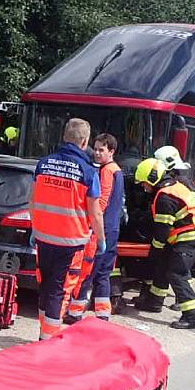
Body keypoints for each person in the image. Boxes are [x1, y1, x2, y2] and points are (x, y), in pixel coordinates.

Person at [30, 118, 105, 340]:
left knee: (45, 286)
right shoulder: (88, 171)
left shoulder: (43, 164)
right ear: (85, 141)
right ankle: (48, 339)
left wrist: (35, 229)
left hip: (44, 237)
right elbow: (96, 212)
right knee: (58, 290)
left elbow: (32, 200)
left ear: (64, 137)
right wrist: (101, 238)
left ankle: (43, 332)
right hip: (70, 241)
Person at [133, 158, 195, 330]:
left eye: (144, 183)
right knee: (163, 266)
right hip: (189, 235)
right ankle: (154, 301)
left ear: (152, 179)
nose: (143, 188)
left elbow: (162, 231)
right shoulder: (174, 187)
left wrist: (155, 249)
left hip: (189, 239)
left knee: (177, 274)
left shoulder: (164, 197)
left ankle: (192, 316)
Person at [64, 133, 125, 323]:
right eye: (96, 149)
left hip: (101, 230)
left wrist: (91, 225)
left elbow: (102, 201)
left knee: (86, 273)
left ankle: (74, 314)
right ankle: (103, 315)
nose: (97, 153)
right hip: (113, 228)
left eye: (101, 150)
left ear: (111, 151)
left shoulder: (107, 171)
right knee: (103, 274)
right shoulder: (118, 170)